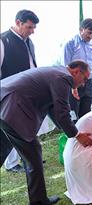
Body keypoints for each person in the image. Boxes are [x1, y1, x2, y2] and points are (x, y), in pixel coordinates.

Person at [0, 60, 92, 205]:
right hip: (13, 109)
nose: (84, 83)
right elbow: (62, 113)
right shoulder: (63, 78)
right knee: (33, 156)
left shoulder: (56, 72)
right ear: (76, 71)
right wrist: (76, 135)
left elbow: (52, 109)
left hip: (4, 103)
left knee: (2, 149)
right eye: (85, 78)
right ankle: (39, 202)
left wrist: (67, 131)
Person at [0, 9, 39, 173]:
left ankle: (27, 158)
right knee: (9, 132)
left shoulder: (29, 41)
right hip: (9, 96)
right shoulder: (3, 41)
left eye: (33, 28)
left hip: (27, 93)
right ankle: (11, 163)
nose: (32, 31)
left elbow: (32, 64)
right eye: (29, 27)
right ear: (18, 23)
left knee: (26, 127)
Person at [64, 18, 92, 121]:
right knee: (73, 113)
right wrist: (73, 86)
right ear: (81, 29)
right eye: (89, 33)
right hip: (74, 83)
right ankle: (74, 136)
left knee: (86, 114)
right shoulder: (71, 44)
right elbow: (66, 67)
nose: (90, 36)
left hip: (88, 82)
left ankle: (85, 134)